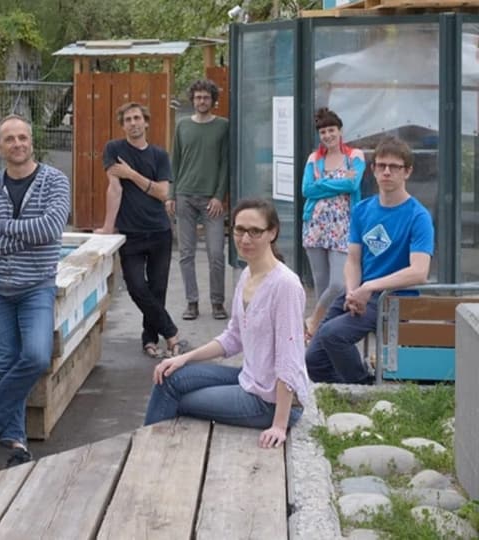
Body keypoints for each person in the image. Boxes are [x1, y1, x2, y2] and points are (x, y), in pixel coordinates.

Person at [144, 198, 309, 449]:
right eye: (240, 230)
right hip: (249, 379)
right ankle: (151, 450)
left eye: (255, 231)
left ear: (272, 233)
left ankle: (147, 454)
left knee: (174, 396)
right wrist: (183, 359)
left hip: (269, 401)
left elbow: (290, 359)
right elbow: (233, 337)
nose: (245, 239)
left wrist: (279, 425)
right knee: (169, 377)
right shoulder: (247, 274)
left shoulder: (285, 285)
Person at [0, 115, 71, 471]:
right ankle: (18, 445)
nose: (18, 144)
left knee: (37, 357)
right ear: (0, 147)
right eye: (9, 139)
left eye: (23, 137)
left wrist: (3, 227)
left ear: (31, 142)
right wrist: (26, 237)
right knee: (7, 365)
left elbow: (51, 228)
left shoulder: (54, 181)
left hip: (36, 288)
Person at [306, 137, 433, 384]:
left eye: (394, 167)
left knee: (333, 335)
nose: (387, 172)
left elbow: (419, 272)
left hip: (394, 299)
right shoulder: (362, 210)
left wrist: (368, 288)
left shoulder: (418, 216)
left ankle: (365, 388)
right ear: (373, 169)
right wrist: (353, 292)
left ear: (407, 172)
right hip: (361, 292)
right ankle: (354, 387)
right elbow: (353, 261)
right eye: (381, 165)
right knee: (313, 360)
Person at [95, 102, 189, 359]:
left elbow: (162, 192)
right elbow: (115, 189)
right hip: (130, 233)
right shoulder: (114, 149)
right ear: (122, 124)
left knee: (157, 290)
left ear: (146, 122)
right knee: (137, 287)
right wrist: (107, 226)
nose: (133, 123)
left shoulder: (159, 155)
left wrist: (131, 173)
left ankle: (150, 339)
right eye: (127, 119)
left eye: (137, 118)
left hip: (159, 231)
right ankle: (172, 333)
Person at [302, 108, 366, 340]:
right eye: (323, 132)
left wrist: (323, 183)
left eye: (331, 130)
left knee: (338, 284)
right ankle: (324, 334)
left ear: (340, 132)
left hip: (343, 228)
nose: (327, 135)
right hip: (315, 228)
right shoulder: (314, 159)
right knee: (321, 285)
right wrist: (337, 180)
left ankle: (314, 321)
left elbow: (353, 185)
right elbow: (306, 189)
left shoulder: (355, 156)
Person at [169, 79, 230, 321]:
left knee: (216, 253)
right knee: (186, 253)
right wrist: (171, 195)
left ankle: (217, 302)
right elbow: (175, 161)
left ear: (213, 100)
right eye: (197, 97)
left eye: (205, 97)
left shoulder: (223, 126)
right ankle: (191, 302)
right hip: (184, 195)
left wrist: (219, 195)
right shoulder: (182, 126)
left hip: (211, 200)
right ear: (192, 100)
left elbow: (226, 163)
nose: (201, 101)